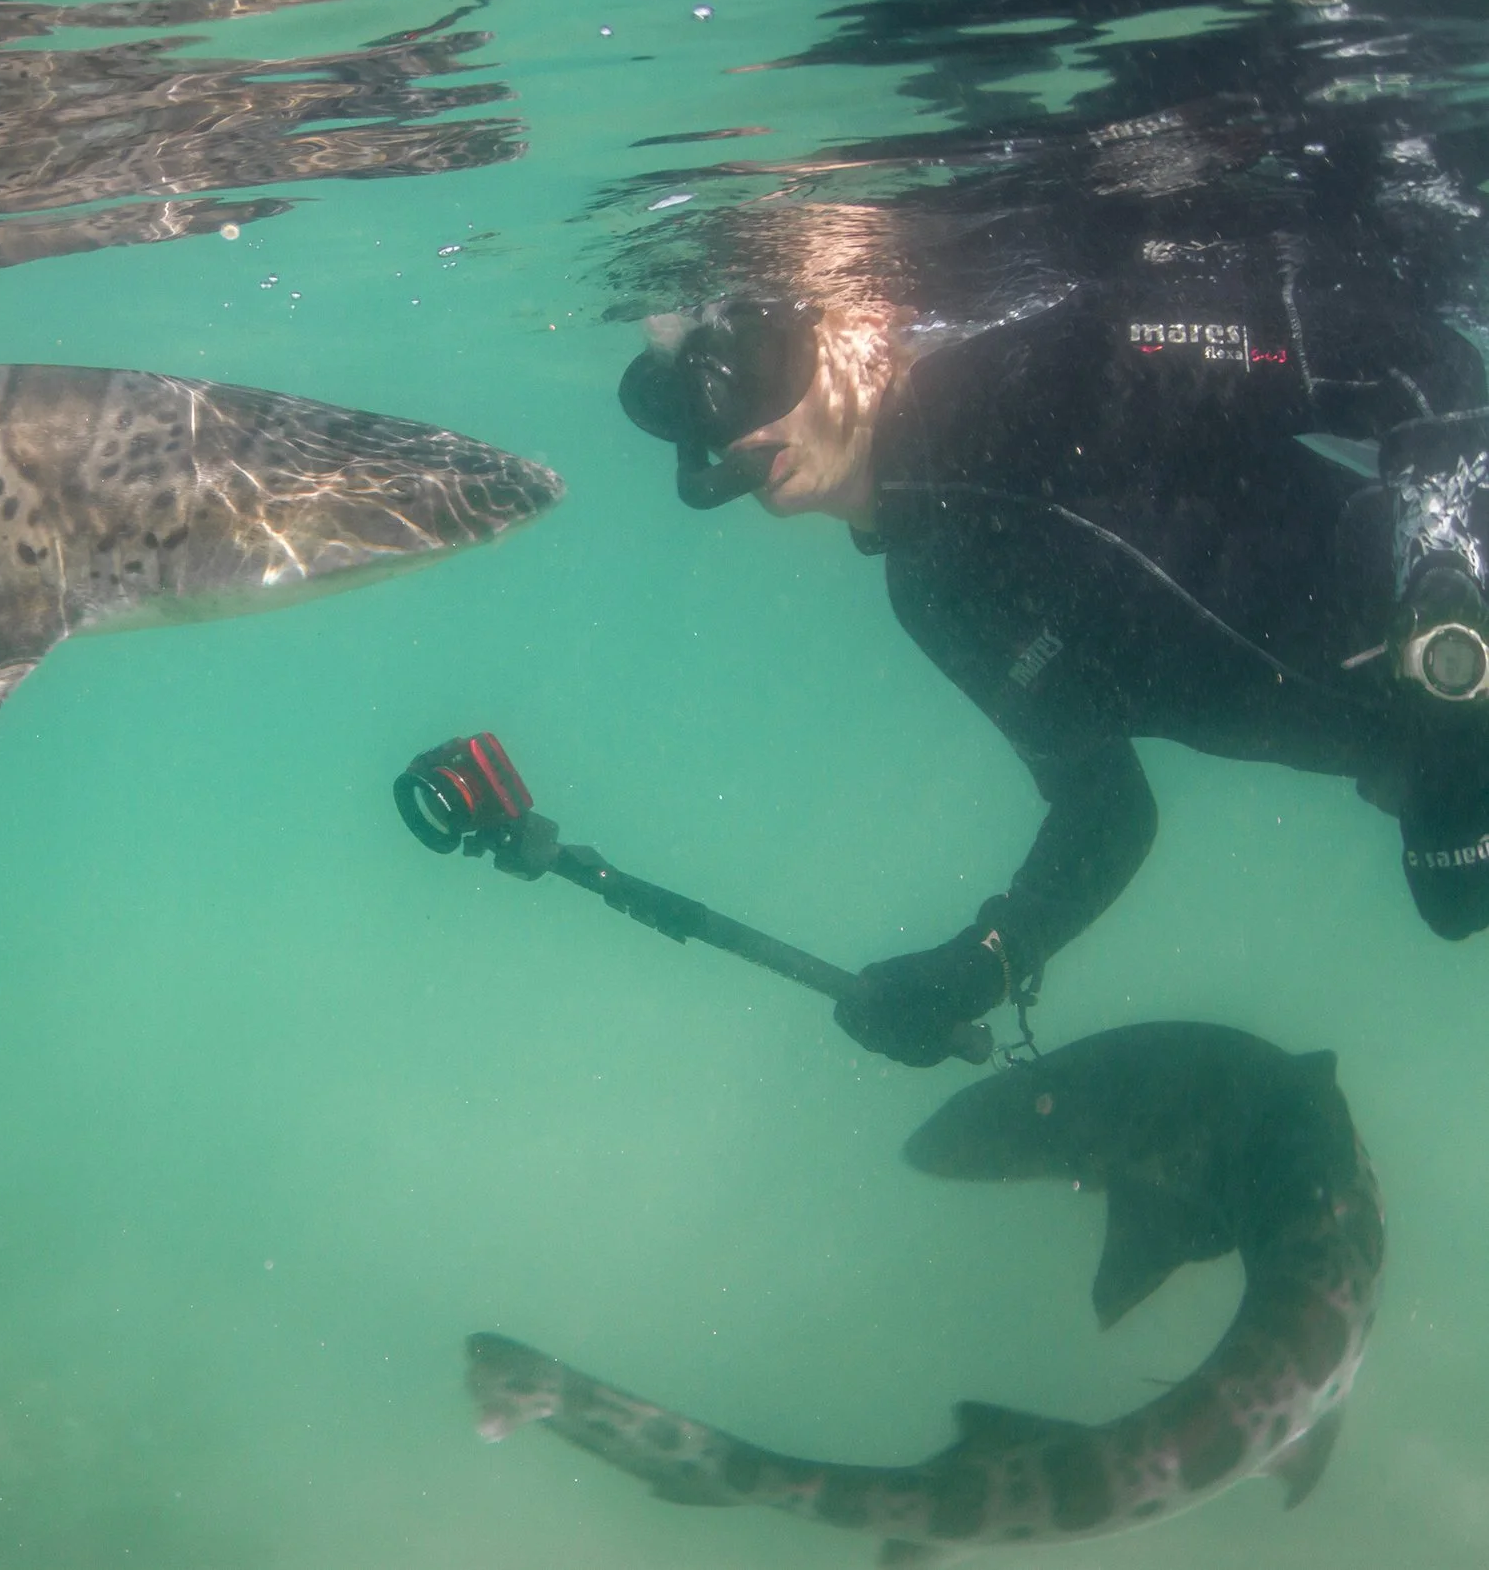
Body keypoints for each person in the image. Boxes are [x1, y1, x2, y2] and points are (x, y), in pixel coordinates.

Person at [619, 259, 1489, 1067]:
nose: (737, 430)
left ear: (851, 331)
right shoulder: (929, 594)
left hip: (1461, 705)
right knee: (1454, 903)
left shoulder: (1032, 375)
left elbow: (1421, 366)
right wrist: (986, 962)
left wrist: (1447, 602)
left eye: (755, 367)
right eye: (694, 411)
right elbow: (1105, 809)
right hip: (1450, 773)